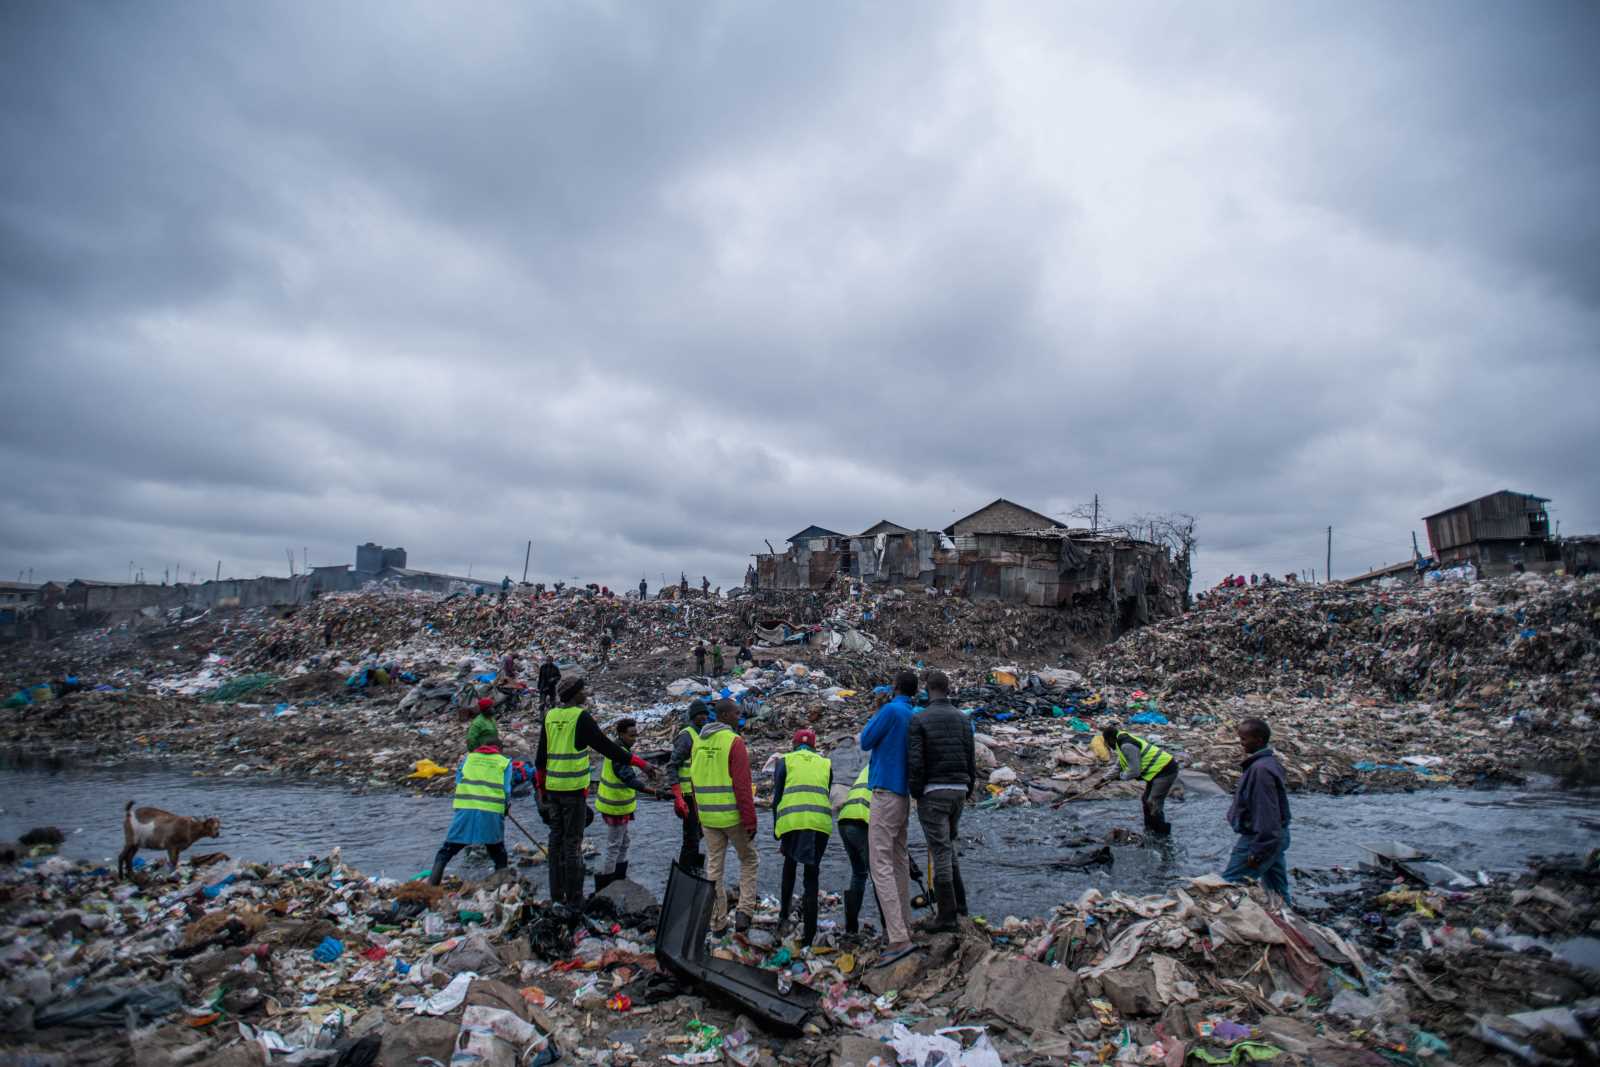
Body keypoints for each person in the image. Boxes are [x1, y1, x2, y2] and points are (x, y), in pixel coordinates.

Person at [535, 677, 647, 908]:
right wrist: (640, 763)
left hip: (554, 790)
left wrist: (542, 793)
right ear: (574, 694)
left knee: (555, 843)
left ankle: (557, 896)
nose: (586, 693)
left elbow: (540, 759)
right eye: (582, 690)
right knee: (573, 844)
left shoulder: (550, 716)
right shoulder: (580, 717)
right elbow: (607, 747)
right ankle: (575, 900)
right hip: (573, 791)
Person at [907, 671, 975, 932]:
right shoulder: (962, 719)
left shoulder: (919, 719)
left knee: (940, 852)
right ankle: (961, 906)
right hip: (959, 790)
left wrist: (916, 791)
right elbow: (971, 757)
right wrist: (968, 788)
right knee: (949, 845)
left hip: (933, 792)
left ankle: (947, 915)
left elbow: (916, 761)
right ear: (948, 689)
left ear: (927, 690)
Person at [859, 669, 917, 961]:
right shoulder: (913, 712)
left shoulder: (891, 711)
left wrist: (877, 711)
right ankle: (906, 925)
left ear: (895, 688)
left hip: (885, 791)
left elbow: (865, 740)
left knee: (879, 862)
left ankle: (897, 937)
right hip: (905, 794)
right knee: (898, 860)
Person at [427, 721, 530, 885]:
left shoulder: (468, 759)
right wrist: (505, 807)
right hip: (490, 811)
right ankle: (501, 887)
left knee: (447, 850)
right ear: (498, 749)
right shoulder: (504, 762)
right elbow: (506, 790)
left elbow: (459, 781)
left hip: (466, 809)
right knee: (497, 850)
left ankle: (432, 886)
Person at [691, 697, 759, 932]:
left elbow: (694, 779)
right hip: (732, 816)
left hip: (708, 816)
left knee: (713, 868)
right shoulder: (733, 741)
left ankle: (717, 921)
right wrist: (750, 819)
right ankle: (744, 911)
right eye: (736, 713)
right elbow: (742, 785)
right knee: (749, 860)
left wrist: (698, 813)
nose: (739, 716)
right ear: (725, 716)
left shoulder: (698, 741)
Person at [772, 728, 832, 946]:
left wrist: (777, 831)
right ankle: (810, 933)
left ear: (793, 745)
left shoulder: (784, 761)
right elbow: (824, 790)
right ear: (814, 746)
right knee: (812, 875)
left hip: (792, 821)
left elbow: (777, 799)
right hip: (820, 823)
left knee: (789, 866)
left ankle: (783, 916)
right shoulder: (825, 763)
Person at [1223, 718, 1292, 904]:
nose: (1241, 743)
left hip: (1260, 838)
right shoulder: (1267, 764)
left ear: (1259, 740)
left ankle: (1226, 924)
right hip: (1275, 837)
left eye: (1244, 739)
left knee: (1229, 885)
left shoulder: (1260, 770)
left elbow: (1266, 812)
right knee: (1277, 892)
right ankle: (1288, 921)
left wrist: (1258, 850)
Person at [594, 717, 656, 894]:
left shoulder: (619, 749)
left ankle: (618, 878)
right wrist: (653, 792)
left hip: (616, 805)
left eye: (636, 735)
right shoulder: (619, 754)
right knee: (614, 845)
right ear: (621, 734)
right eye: (631, 735)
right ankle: (607, 885)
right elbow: (629, 779)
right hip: (615, 806)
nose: (634, 739)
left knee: (624, 842)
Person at [1099, 725, 1179, 836]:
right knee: (1145, 799)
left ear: (1110, 739)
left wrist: (1120, 777)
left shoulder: (1126, 745)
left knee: (1153, 802)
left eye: (1107, 742)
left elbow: (1134, 771)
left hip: (1165, 770)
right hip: (1155, 772)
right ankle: (1150, 829)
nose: (1108, 745)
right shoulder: (1120, 741)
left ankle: (1162, 834)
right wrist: (1103, 779)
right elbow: (1119, 765)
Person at [668, 700, 712, 872]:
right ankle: (685, 872)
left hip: (699, 794)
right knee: (691, 837)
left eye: (705, 714)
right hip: (687, 794)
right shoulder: (687, 736)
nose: (703, 717)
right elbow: (672, 765)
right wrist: (677, 795)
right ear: (693, 716)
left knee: (699, 833)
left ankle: (692, 867)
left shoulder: (702, 735)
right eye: (699, 714)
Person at [836, 764, 873, 936]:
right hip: (861, 821)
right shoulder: (889, 769)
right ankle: (889, 928)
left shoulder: (866, 768)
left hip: (844, 821)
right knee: (880, 875)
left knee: (859, 873)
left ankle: (851, 928)